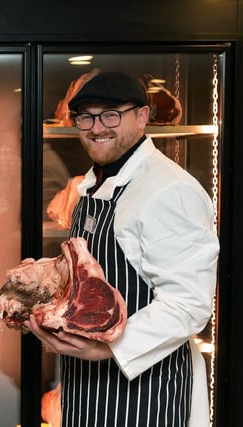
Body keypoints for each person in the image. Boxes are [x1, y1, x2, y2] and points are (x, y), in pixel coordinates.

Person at [25, 71, 219, 427]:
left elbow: (189, 304)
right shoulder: (93, 185)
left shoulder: (168, 190)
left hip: (145, 392)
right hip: (85, 386)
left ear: (142, 116)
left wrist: (108, 347)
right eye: (86, 116)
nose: (97, 127)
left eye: (111, 114)